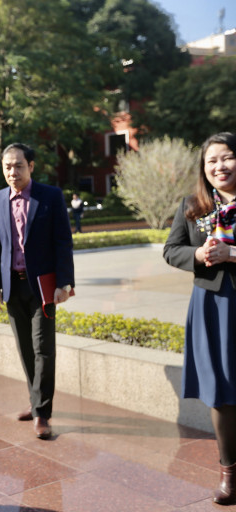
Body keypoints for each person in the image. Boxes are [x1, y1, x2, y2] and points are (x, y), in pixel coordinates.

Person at [163, 132, 236, 505]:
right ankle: (230, 472)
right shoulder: (193, 205)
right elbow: (171, 249)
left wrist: (231, 254)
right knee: (220, 388)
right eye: (212, 161)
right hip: (212, 305)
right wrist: (198, 255)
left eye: (227, 157)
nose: (220, 166)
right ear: (203, 168)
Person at [0, 142, 74, 440]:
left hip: (43, 286)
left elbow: (63, 242)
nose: (13, 172)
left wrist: (65, 283)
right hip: (12, 286)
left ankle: (42, 413)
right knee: (25, 348)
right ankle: (35, 400)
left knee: (43, 349)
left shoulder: (50, 196)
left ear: (31, 166)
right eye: (8, 166)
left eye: (19, 166)